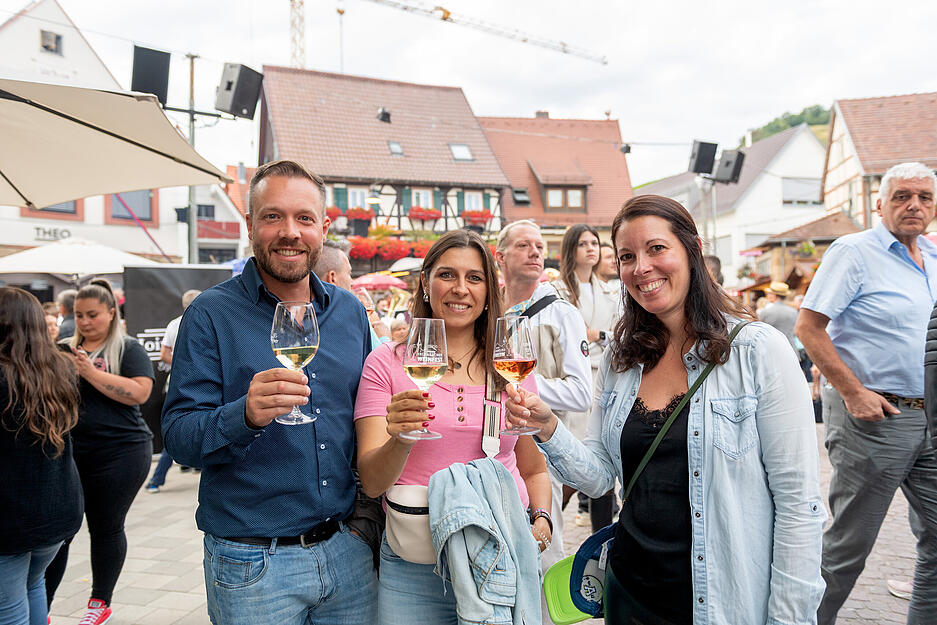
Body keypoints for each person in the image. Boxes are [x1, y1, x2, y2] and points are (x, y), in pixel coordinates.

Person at [507, 194, 826, 624]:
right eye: (626, 256)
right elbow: (601, 477)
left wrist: (789, 618)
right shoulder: (623, 359)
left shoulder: (757, 351)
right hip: (629, 593)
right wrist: (548, 428)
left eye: (656, 249)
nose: (641, 268)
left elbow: (798, 506)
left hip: (719, 602)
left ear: (691, 249)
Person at [161, 159, 377, 625]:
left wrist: (364, 525)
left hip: (348, 553)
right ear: (250, 225)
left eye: (303, 218)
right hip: (252, 564)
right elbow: (178, 435)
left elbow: (366, 423)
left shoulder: (347, 312)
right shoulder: (211, 315)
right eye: (273, 216)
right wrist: (244, 415)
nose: (289, 232)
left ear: (323, 226)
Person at [354, 229, 551, 624]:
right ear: (425, 282)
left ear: (488, 290)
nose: (461, 289)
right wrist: (402, 439)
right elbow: (372, 482)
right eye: (447, 275)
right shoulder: (388, 363)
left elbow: (534, 468)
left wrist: (542, 522)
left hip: (498, 559)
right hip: (413, 569)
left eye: (474, 278)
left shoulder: (507, 366)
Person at [796, 161, 937, 625]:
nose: (913, 205)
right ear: (879, 203)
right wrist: (853, 392)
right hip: (876, 417)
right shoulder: (854, 251)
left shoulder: (933, 259)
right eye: (901, 196)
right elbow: (809, 328)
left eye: (923, 196)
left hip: (930, 418)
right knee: (848, 546)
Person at [495, 219, 592, 623]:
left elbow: (582, 393)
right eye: (524, 246)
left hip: (541, 450)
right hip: (493, 446)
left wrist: (522, 386)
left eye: (539, 246)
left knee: (543, 547)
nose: (536, 252)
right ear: (500, 257)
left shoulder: (560, 313)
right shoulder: (489, 307)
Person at [44, 279, 155, 625]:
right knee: (61, 530)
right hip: (73, 451)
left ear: (111, 313)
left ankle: (99, 602)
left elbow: (140, 394)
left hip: (123, 451)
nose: (85, 322)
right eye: (78, 315)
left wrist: (89, 372)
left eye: (92, 314)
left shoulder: (128, 349)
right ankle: (40, 606)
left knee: (105, 527)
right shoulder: (63, 349)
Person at [0, 287, 82, 625]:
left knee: (8, 606)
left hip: (14, 518)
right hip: (57, 509)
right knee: (34, 585)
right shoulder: (59, 369)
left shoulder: (6, 377)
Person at [553, 224, 620, 531]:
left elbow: (618, 335)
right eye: (583, 244)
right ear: (571, 250)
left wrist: (598, 335)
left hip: (604, 378)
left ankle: (601, 537)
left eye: (594, 243)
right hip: (570, 381)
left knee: (603, 460)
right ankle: (548, 522)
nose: (591, 249)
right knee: (567, 460)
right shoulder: (556, 292)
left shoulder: (611, 291)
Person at [145, 289, 202, 494]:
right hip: (187, 383)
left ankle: (163, 477)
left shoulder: (178, 324)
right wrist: (186, 364)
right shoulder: (183, 324)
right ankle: (156, 479)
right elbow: (164, 354)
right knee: (179, 429)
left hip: (190, 382)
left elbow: (164, 354)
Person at [314, 239, 390, 342]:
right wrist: (384, 338)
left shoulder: (308, 317)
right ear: (332, 277)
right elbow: (381, 358)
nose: (352, 282)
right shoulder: (351, 319)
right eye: (349, 273)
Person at [758, 281, 798, 351]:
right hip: (791, 350)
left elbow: (760, 333)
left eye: (769, 293)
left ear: (774, 295)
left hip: (772, 351)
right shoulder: (794, 312)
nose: (768, 295)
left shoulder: (765, 312)